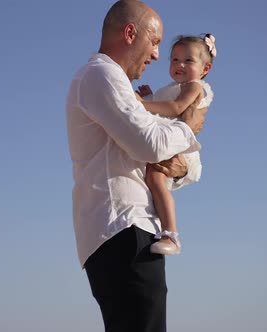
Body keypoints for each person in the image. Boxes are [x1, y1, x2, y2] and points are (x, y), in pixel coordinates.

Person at [66, 1, 208, 331]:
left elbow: (160, 153)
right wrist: (187, 127)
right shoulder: (101, 74)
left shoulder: (114, 84)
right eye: (155, 42)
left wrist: (179, 160)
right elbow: (150, 143)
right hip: (124, 231)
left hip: (125, 233)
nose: (158, 55)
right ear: (131, 33)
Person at [135, 34, 217, 255]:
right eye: (174, 60)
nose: (179, 65)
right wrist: (151, 98)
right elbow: (165, 108)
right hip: (172, 141)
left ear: (205, 68)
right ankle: (164, 229)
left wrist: (143, 104)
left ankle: (171, 233)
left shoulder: (194, 87)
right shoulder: (173, 87)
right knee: (152, 180)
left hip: (181, 147)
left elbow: (174, 109)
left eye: (188, 61)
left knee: (155, 178)